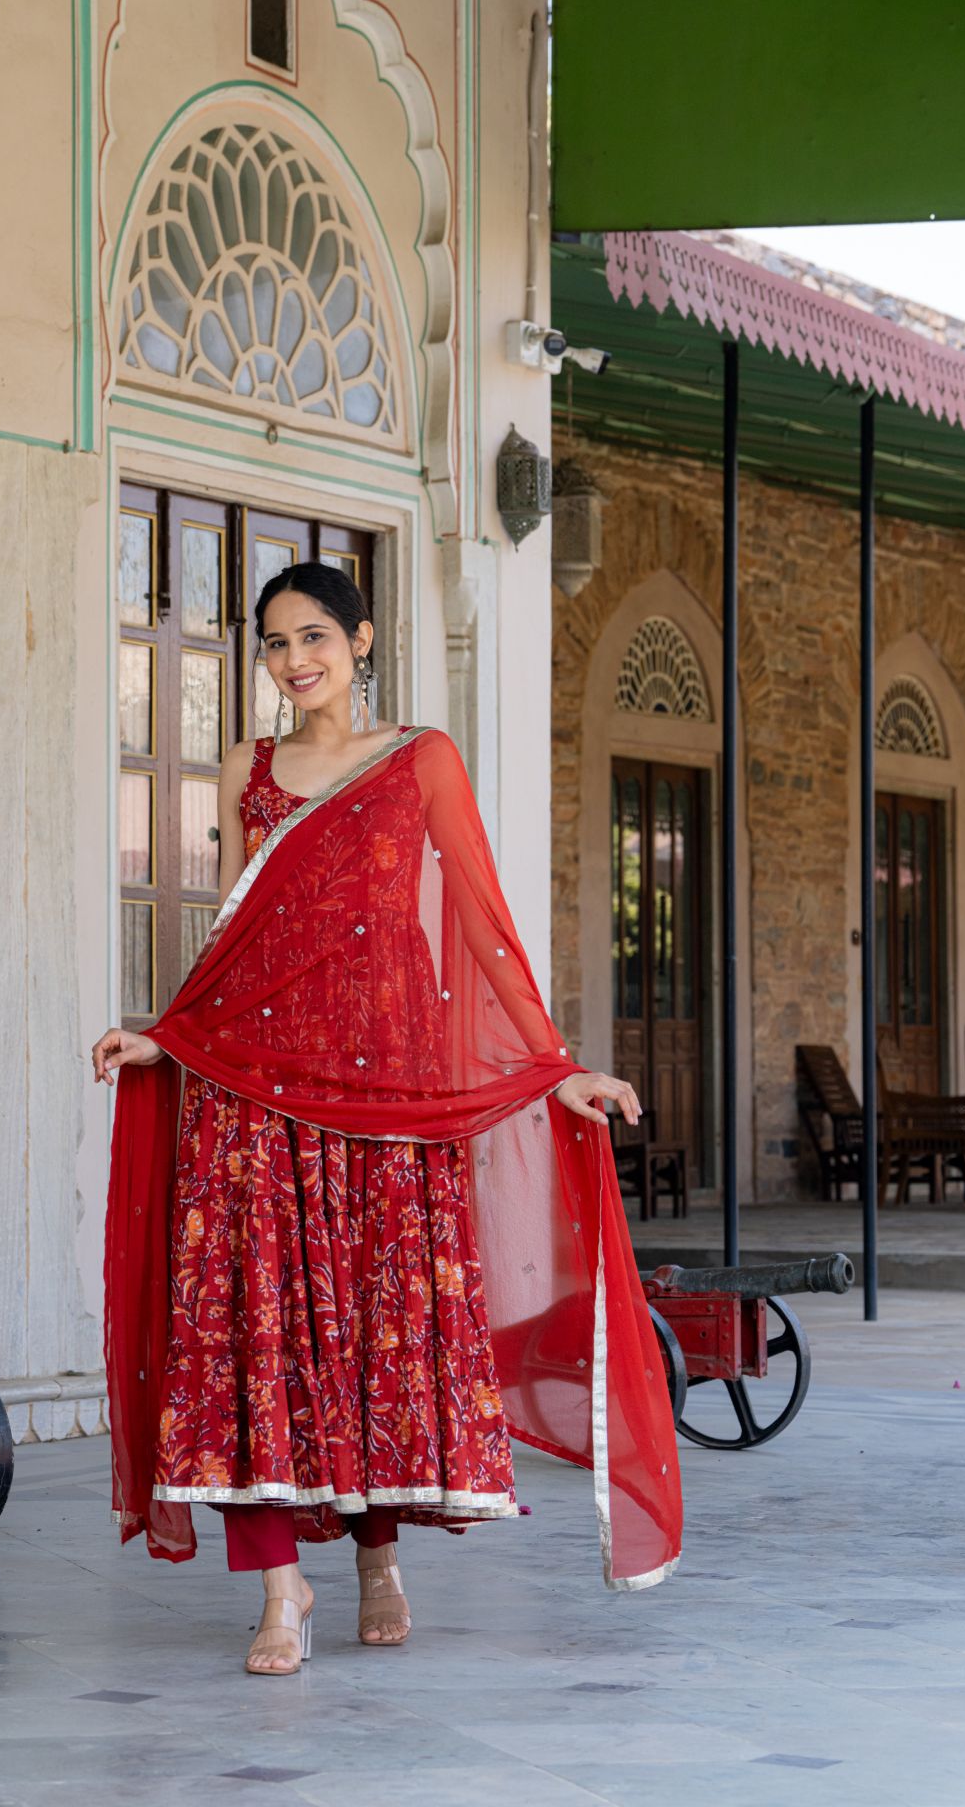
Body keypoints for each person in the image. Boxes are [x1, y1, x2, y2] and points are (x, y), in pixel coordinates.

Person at [95, 562, 680, 1677]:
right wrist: (165, 1036)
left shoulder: (421, 760)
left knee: (368, 1328)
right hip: (251, 1091)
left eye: (314, 636)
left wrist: (552, 1067)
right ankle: (279, 1586)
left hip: (380, 1092)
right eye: (273, 644)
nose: (293, 660)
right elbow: (231, 937)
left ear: (363, 639)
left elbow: (483, 919)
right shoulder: (248, 771)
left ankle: (375, 1554)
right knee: (248, 1330)